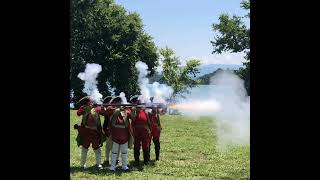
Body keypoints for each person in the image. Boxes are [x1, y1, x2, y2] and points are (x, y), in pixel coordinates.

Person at [75, 97, 104, 170]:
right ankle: (82, 164)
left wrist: (97, 107)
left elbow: (102, 111)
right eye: (90, 101)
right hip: (86, 131)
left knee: (97, 148)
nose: (91, 102)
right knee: (84, 148)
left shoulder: (96, 107)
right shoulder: (84, 107)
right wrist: (87, 108)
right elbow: (78, 113)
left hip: (95, 132)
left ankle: (99, 164)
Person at [108, 97, 132, 171]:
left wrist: (132, 109)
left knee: (124, 152)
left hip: (124, 134)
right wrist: (117, 109)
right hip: (115, 134)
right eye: (117, 103)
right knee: (114, 151)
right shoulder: (113, 110)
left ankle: (124, 166)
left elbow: (133, 117)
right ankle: (112, 166)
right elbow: (108, 110)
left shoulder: (126, 111)